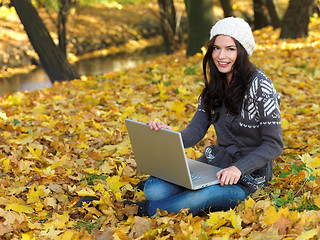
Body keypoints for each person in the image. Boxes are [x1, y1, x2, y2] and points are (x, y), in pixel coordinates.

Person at [124, 17, 283, 217]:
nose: (221, 55)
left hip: (248, 178)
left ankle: (137, 209)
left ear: (242, 52)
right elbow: (194, 133)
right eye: (216, 48)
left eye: (230, 49)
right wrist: (167, 136)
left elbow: (274, 144)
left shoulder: (261, 87)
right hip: (214, 166)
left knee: (203, 196)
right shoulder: (215, 86)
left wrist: (238, 169)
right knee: (154, 190)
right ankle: (177, 196)